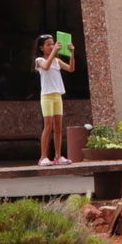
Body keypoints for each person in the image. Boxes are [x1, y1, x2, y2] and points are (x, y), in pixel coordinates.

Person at [34, 34, 73, 166]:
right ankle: (43, 157)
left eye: (52, 44)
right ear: (41, 48)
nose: (51, 46)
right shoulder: (39, 60)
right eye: (48, 45)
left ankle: (58, 155)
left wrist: (71, 53)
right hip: (46, 96)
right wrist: (54, 52)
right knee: (48, 126)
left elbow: (71, 68)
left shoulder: (56, 60)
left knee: (58, 127)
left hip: (57, 95)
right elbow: (45, 66)